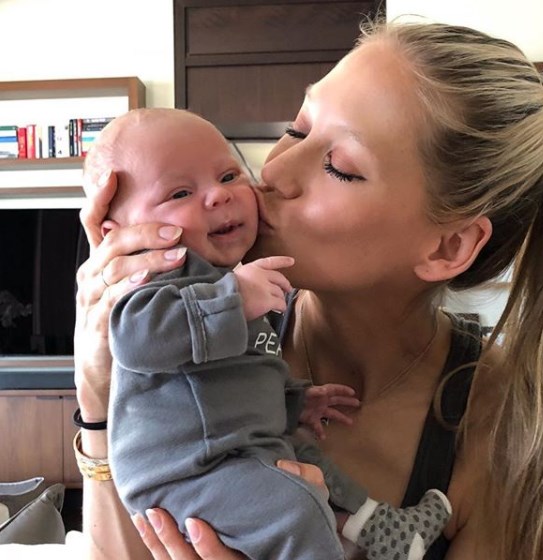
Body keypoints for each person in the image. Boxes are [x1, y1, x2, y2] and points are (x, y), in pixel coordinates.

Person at [74, 19, 543, 560]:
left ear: (447, 247)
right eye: (298, 128)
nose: (275, 170)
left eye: (340, 167)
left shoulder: (501, 426)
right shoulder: (206, 322)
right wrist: (98, 387)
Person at [82, 107, 453, 560]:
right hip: (188, 472)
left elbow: (244, 371)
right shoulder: (167, 279)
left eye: (228, 175)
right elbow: (137, 340)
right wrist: (94, 394)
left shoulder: (235, 284)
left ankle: (386, 530)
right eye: (180, 192)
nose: (221, 194)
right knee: (295, 507)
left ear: (448, 245)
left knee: (309, 463)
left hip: (238, 451)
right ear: (121, 234)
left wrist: (293, 399)